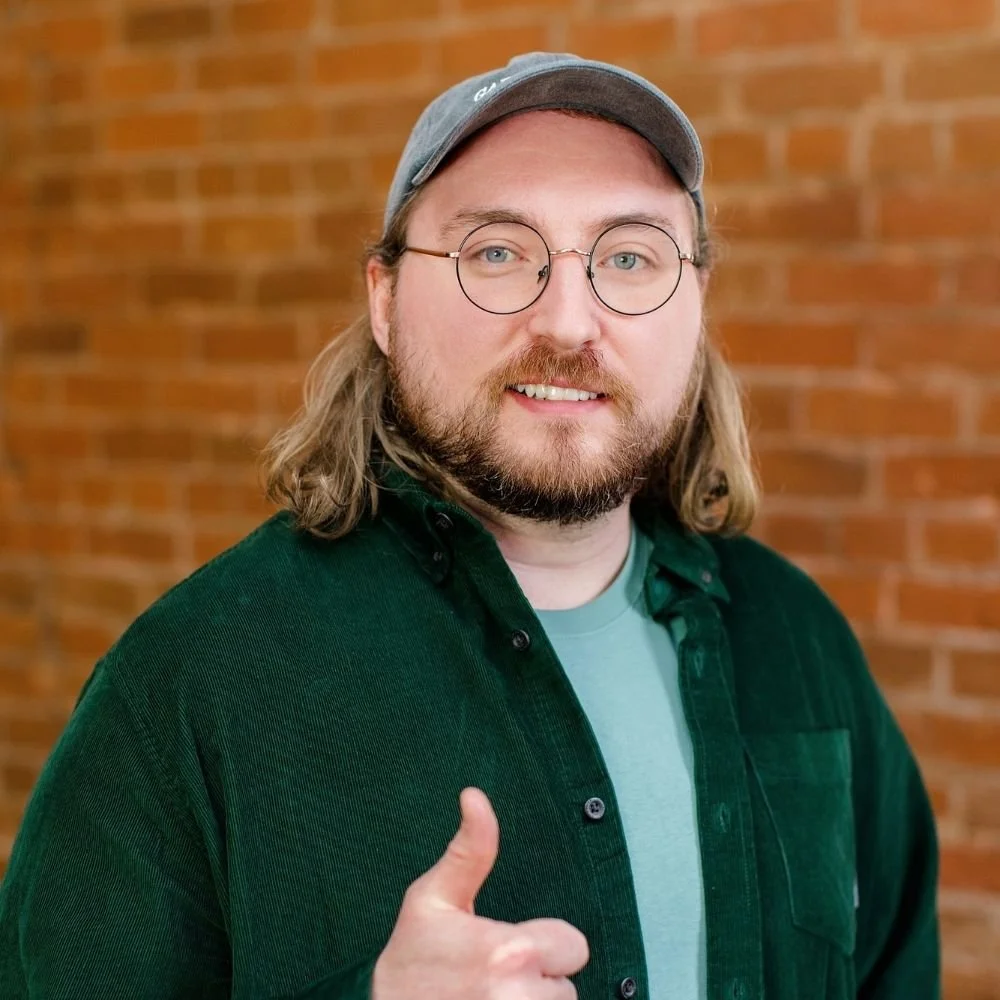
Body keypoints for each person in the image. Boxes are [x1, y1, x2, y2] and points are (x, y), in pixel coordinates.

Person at [0, 52, 939, 1000]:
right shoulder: (195, 685)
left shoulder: (797, 638)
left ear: (695, 303)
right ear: (383, 298)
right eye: (497, 251)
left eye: (628, 257)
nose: (568, 322)